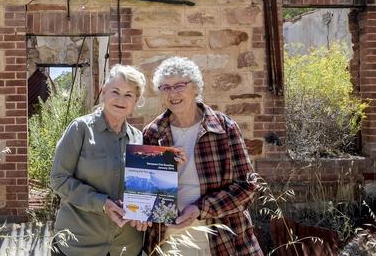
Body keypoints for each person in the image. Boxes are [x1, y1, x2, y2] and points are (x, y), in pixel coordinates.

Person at [142, 57, 263, 256]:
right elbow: (147, 197)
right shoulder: (152, 133)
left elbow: (247, 186)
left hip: (222, 237)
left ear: (195, 88)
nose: (173, 93)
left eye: (180, 85)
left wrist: (201, 209)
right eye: (165, 87)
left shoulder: (224, 128)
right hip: (170, 239)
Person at [49, 64, 148, 256]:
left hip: (126, 246)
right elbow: (58, 179)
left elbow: (142, 190)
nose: (121, 99)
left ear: (136, 101)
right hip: (79, 244)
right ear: (103, 92)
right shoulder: (81, 129)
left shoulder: (138, 138)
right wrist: (102, 203)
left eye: (129, 95)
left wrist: (144, 213)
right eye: (115, 91)